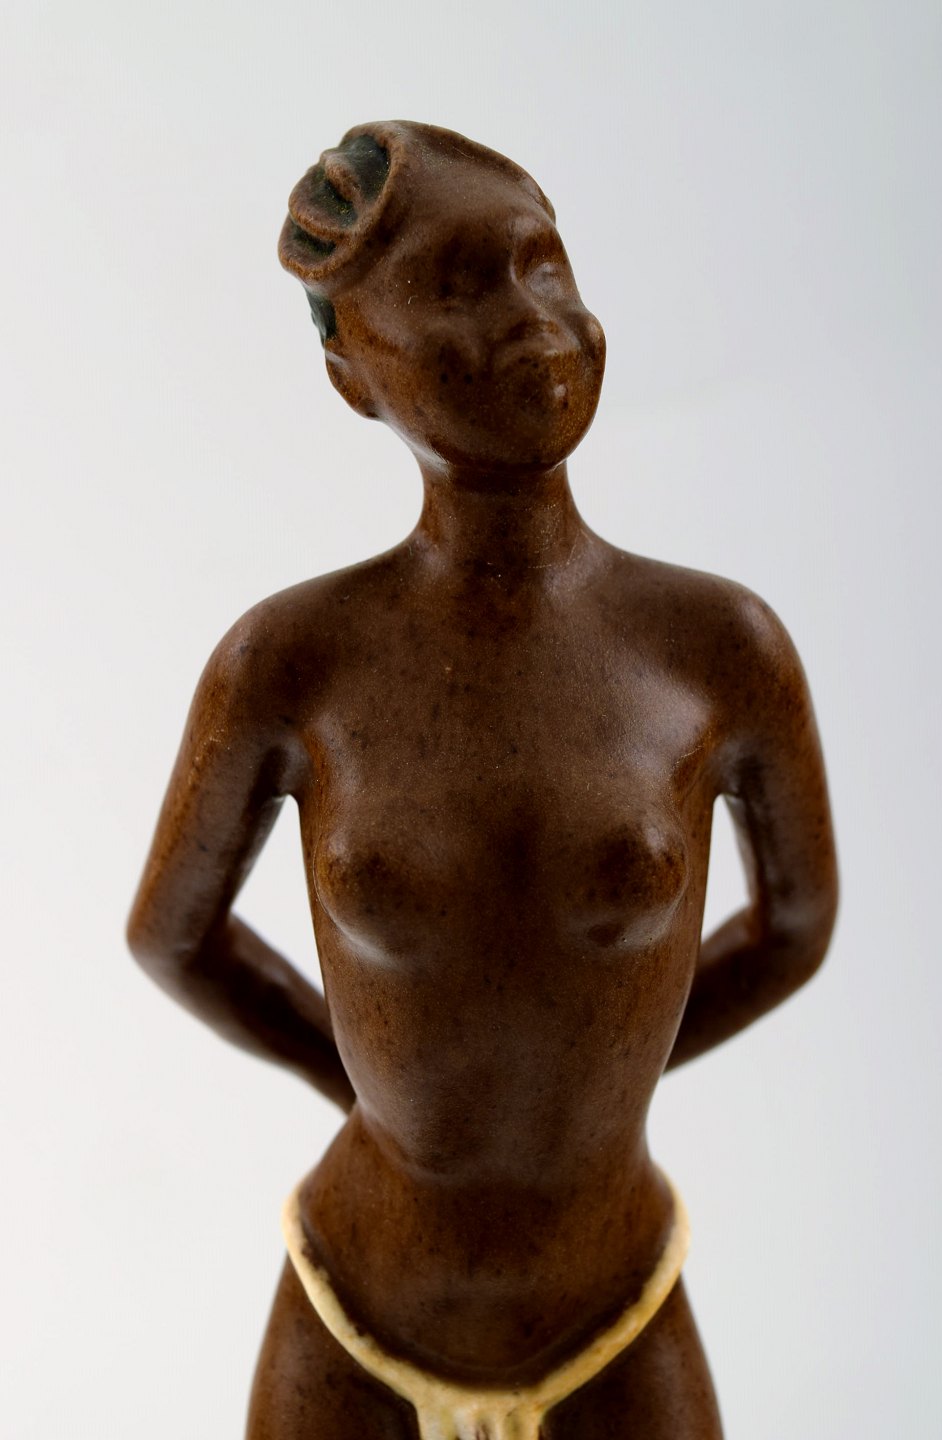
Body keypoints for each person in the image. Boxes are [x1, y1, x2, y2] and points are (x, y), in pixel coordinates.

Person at [127, 121, 838, 1439]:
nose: (530, 321)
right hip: (355, 1302)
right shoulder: (291, 664)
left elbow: (795, 927)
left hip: (614, 1303)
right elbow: (173, 937)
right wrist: (386, 1110)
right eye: (456, 288)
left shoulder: (716, 650)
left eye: (542, 265)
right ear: (351, 373)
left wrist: (604, 1099)